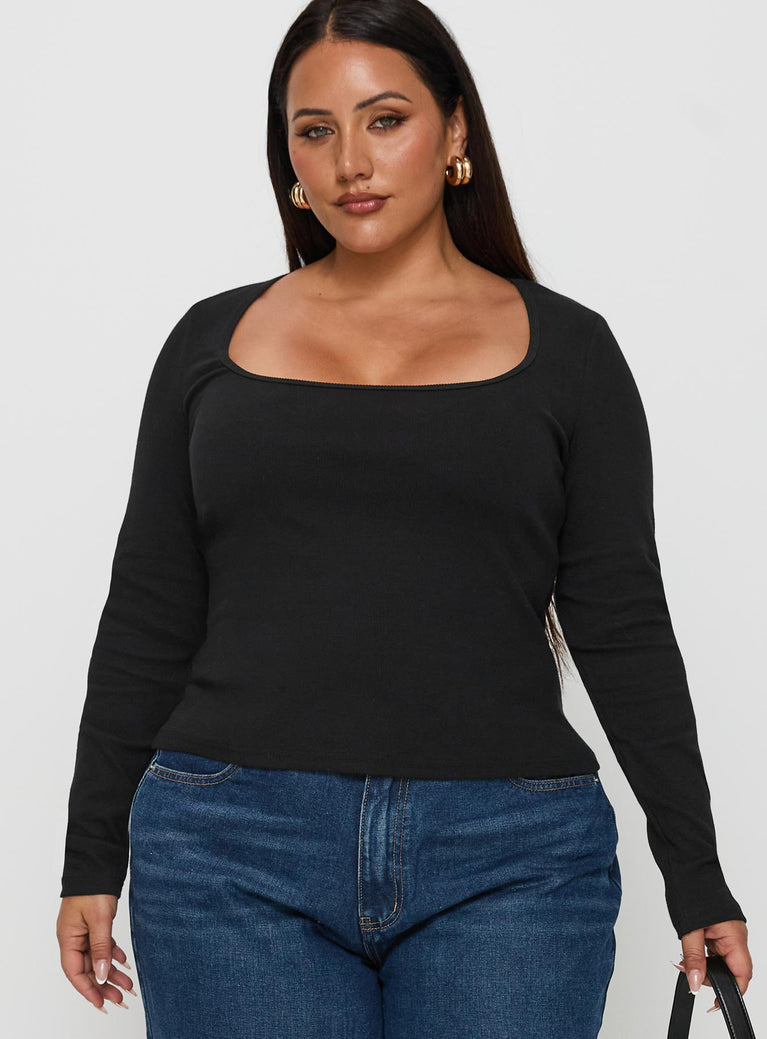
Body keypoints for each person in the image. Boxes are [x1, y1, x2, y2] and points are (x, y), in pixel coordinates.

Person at [56, 1, 752, 1035]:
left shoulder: (568, 353)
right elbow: (151, 609)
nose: (351, 162)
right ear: (288, 158)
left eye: (384, 119)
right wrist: (89, 855)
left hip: (510, 859)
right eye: (315, 130)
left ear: (454, 130)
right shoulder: (212, 343)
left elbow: (620, 622)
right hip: (228, 850)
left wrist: (695, 874)